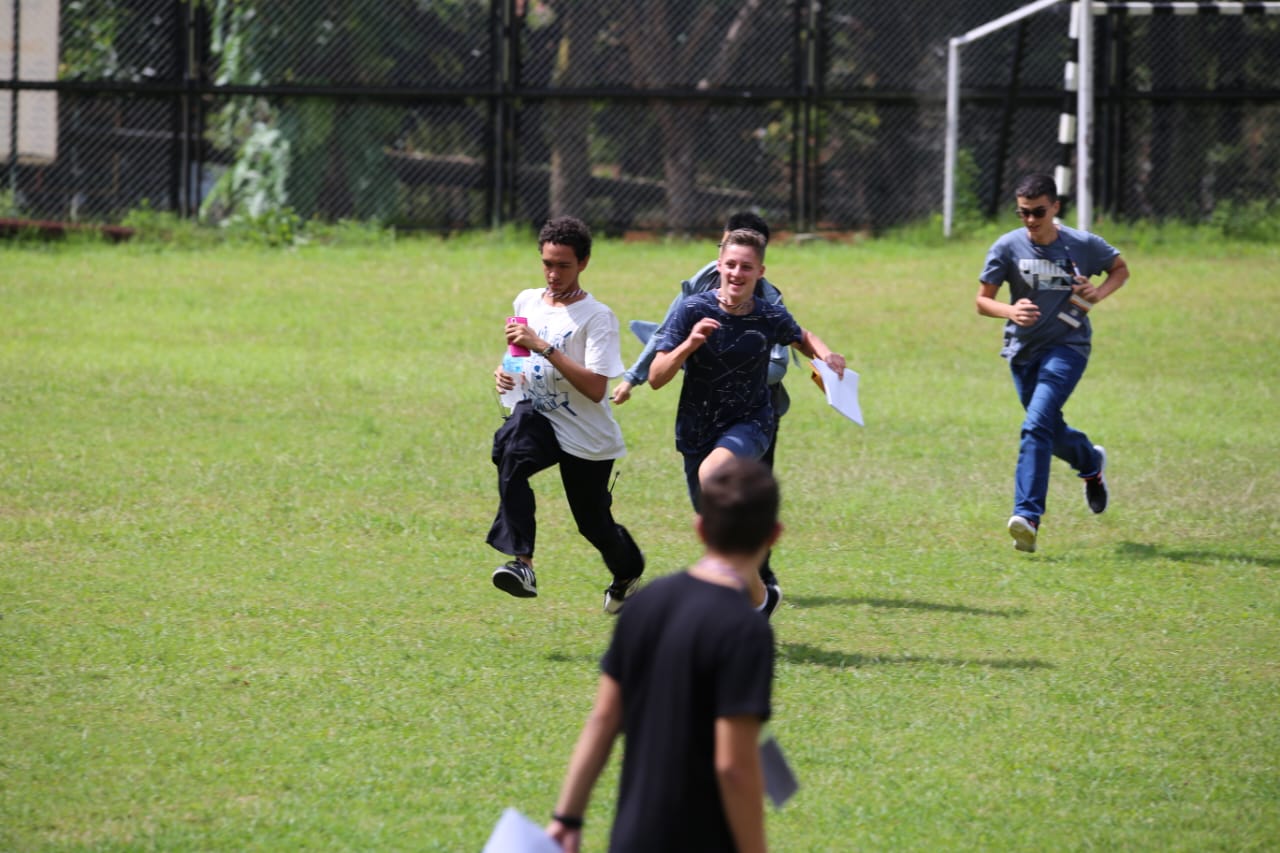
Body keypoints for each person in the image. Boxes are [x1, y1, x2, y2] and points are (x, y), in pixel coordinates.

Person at [546, 456, 780, 853]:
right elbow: (733, 767)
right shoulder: (746, 629)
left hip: (632, 835)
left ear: (700, 527)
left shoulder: (646, 603)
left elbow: (604, 718)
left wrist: (567, 818)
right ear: (773, 536)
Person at [649, 227, 845, 612]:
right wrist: (690, 344)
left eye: (747, 267)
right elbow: (657, 377)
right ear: (719, 265)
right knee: (720, 536)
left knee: (714, 475)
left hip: (751, 424)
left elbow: (800, 335)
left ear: (760, 272)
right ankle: (761, 600)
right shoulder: (692, 310)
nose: (737, 273)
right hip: (696, 429)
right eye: (731, 265)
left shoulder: (770, 314)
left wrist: (826, 354)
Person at [612, 211, 791, 608]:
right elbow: (664, 335)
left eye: (745, 262)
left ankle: (751, 575)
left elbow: (783, 359)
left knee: (738, 498)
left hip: (753, 414)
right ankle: (758, 592)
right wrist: (633, 377)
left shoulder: (770, 302)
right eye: (726, 255)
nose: (731, 268)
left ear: (761, 263)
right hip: (699, 419)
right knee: (712, 510)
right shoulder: (698, 289)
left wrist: (738, 363)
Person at [488, 216, 645, 612]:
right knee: (510, 455)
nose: (553, 274)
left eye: (563, 266)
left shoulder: (597, 317)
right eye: (547, 263)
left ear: (584, 263)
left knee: (592, 524)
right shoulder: (526, 301)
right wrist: (506, 373)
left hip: (586, 434)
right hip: (539, 416)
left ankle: (628, 572)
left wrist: (543, 347)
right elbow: (518, 358)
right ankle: (522, 564)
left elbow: (596, 388)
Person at [976, 173, 1130, 553]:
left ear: (1055, 207)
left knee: (1034, 427)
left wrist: (1098, 292)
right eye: (1023, 212)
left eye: (1038, 212)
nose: (1030, 220)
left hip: (1067, 347)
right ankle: (1090, 462)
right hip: (1023, 353)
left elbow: (1120, 269)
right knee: (1046, 428)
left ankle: (1026, 517)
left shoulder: (1081, 244)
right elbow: (982, 301)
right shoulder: (1007, 247)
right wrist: (1010, 310)